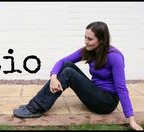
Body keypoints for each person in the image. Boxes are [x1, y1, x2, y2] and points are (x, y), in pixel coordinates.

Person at [13, 21, 143, 130]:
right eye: (85, 37)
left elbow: (121, 88)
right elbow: (62, 61)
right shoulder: (89, 50)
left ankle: (36, 108)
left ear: (102, 40)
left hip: (106, 102)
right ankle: (35, 104)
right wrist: (53, 77)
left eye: (90, 39)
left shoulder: (115, 57)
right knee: (67, 65)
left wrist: (131, 119)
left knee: (69, 73)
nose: (86, 42)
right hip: (95, 92)